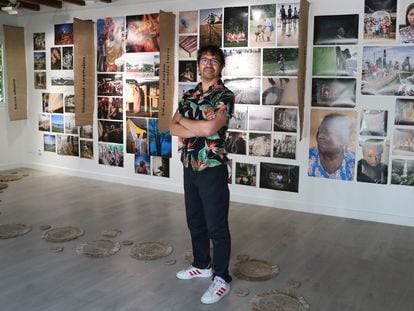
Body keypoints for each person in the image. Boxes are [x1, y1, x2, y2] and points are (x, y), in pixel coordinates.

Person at [170, 45, 234, 304]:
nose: (208, 64)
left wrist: (186, 123)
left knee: (216, 225)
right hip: (190, 165)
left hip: (212, 167)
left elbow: (211, 127)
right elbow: (171, 127)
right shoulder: (189, 94)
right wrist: (198, 128)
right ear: (198, 65)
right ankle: (201, 264)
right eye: (204, 60)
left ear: (220, 66)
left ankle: (221, 278)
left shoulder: (225, 96)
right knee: (195, 220)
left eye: (214, 60)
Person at [308, 113, 355, 180]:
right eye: (319, 130)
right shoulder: (308, 157)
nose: (320, 136)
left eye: (328, 132)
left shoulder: (354, 163)